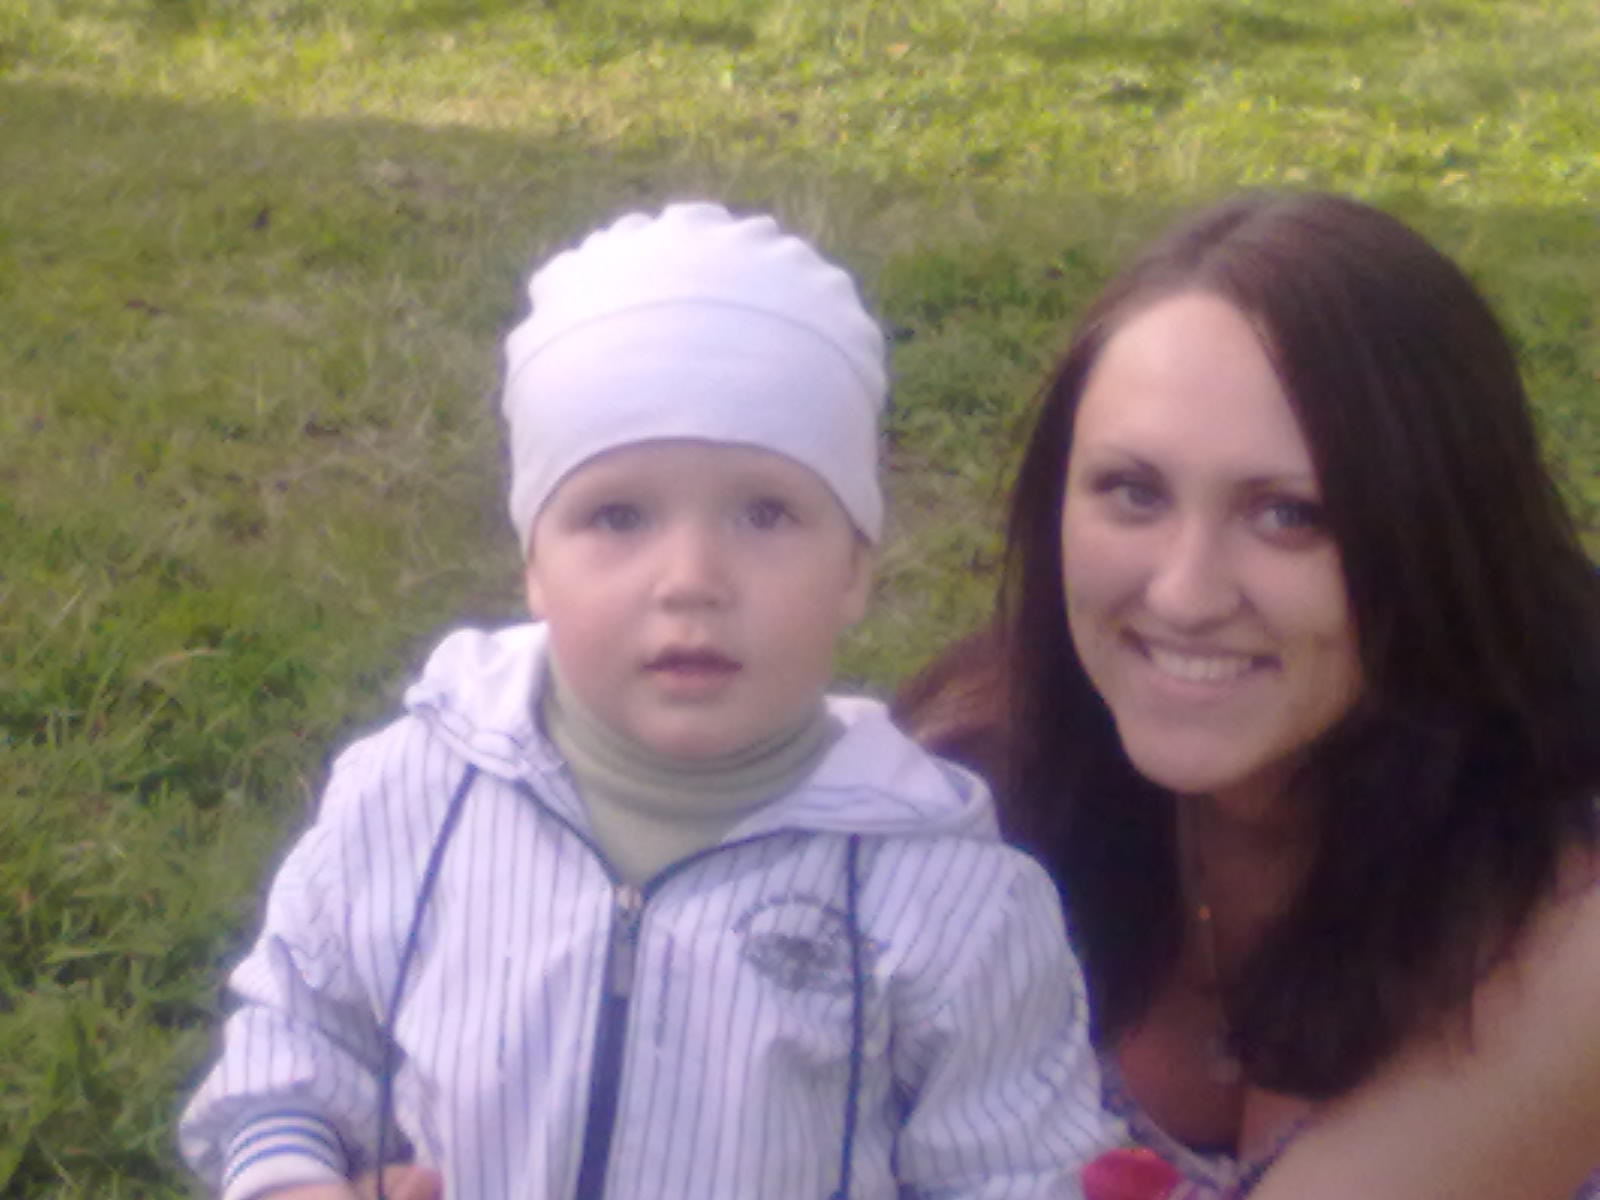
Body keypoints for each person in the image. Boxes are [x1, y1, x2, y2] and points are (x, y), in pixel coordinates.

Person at [178, 202, 1112, 1200]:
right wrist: (292, 1181)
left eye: (766, 513)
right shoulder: (408, 800)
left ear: (854, 568)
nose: (691, 579)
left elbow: (1019, 1174)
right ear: (534, 563)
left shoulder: (947, 897)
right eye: (617, 515)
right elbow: (294, 1036)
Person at [895, 191, 1600, 1199]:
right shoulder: (966, 783)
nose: (1184, 595)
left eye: (1289, 515)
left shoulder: (1566, 906)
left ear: (1442, 536)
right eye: (1133, 491)